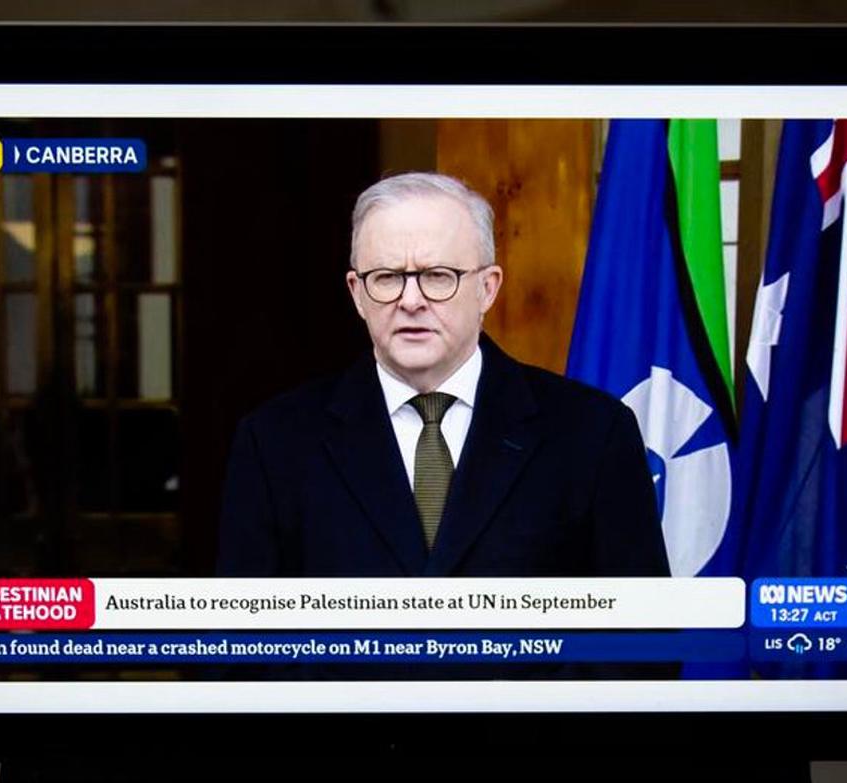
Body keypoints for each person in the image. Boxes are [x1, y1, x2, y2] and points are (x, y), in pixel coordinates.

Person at [216, 172, 669, 580]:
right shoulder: (275, 442)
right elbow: (245, 634)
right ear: (357, 294)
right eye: (387, 277)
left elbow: (639, 628)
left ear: (487, 288)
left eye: (437, 276)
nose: (411, 301)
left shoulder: (592, 432)